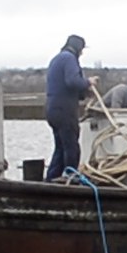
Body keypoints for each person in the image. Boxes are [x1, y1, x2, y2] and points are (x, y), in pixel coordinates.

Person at [44, 34, 94, 181]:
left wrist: (83, 93)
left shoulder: (56, 59)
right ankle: (70, 177)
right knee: (71, 146)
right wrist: (88, 82)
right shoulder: (69, 58)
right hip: (64, 110)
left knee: (60, 147)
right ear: (78, 48)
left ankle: (51, 179)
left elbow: (65, 85)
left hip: (52, 109)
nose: (82, 53)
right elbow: (72, 81)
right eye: (82, 49)